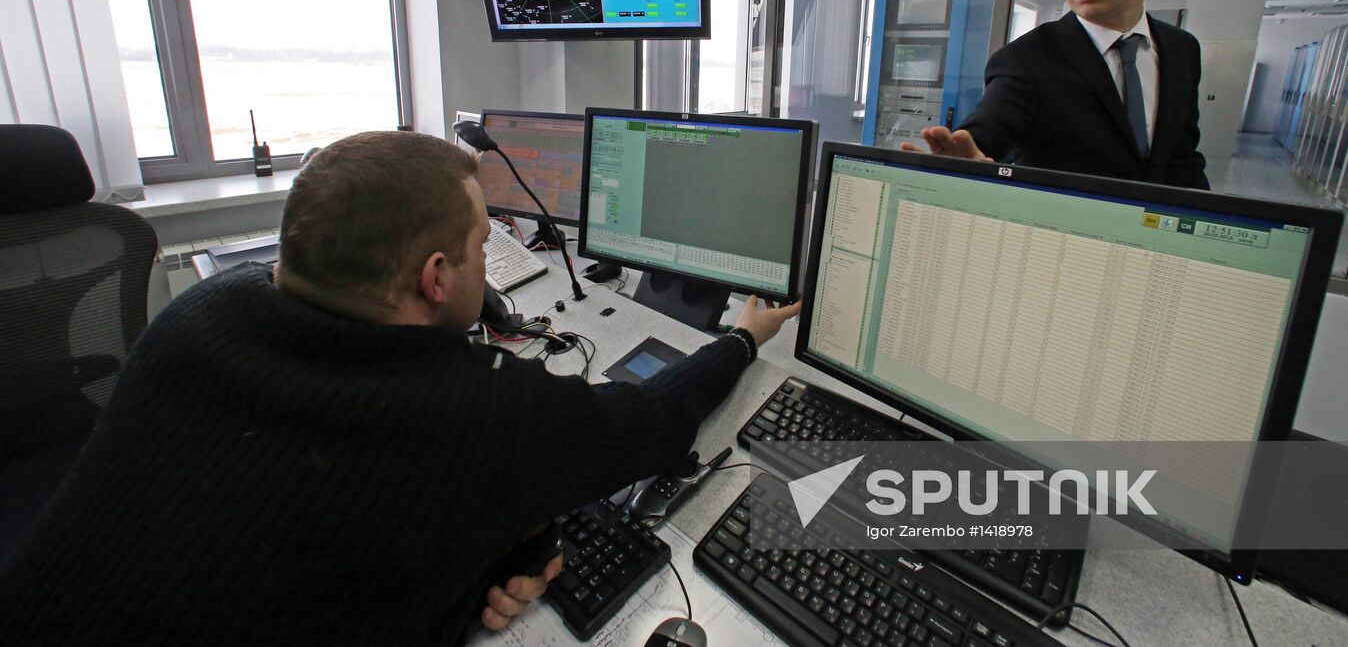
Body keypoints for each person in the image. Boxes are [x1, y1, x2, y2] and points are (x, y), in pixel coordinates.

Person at [0, 131, 800, 645]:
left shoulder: (197, 314)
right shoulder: (476, 406)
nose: (491, 264)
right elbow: (652, 420)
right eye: (484, 244)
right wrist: (744, 336)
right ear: (436, 277)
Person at [905, 0, 1209, 190]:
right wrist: (971, 158)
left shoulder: (1182, 49)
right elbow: (987, 128)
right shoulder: (1026, 59)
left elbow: (1181, 157)